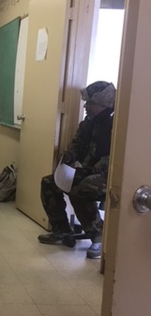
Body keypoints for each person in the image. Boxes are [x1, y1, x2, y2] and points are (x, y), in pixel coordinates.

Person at [37, 80, 116, 260]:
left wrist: (106, 161)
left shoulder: (118, 124)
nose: (86, 106)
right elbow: (77, 144)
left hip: (110, 176)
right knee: (49, 182)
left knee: (81, 190)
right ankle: (62, 230)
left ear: (103, 104)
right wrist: (70, 156)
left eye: (90, 103)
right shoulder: (88, 122)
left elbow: (125, 155)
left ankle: (99, 236)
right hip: (88, 171)